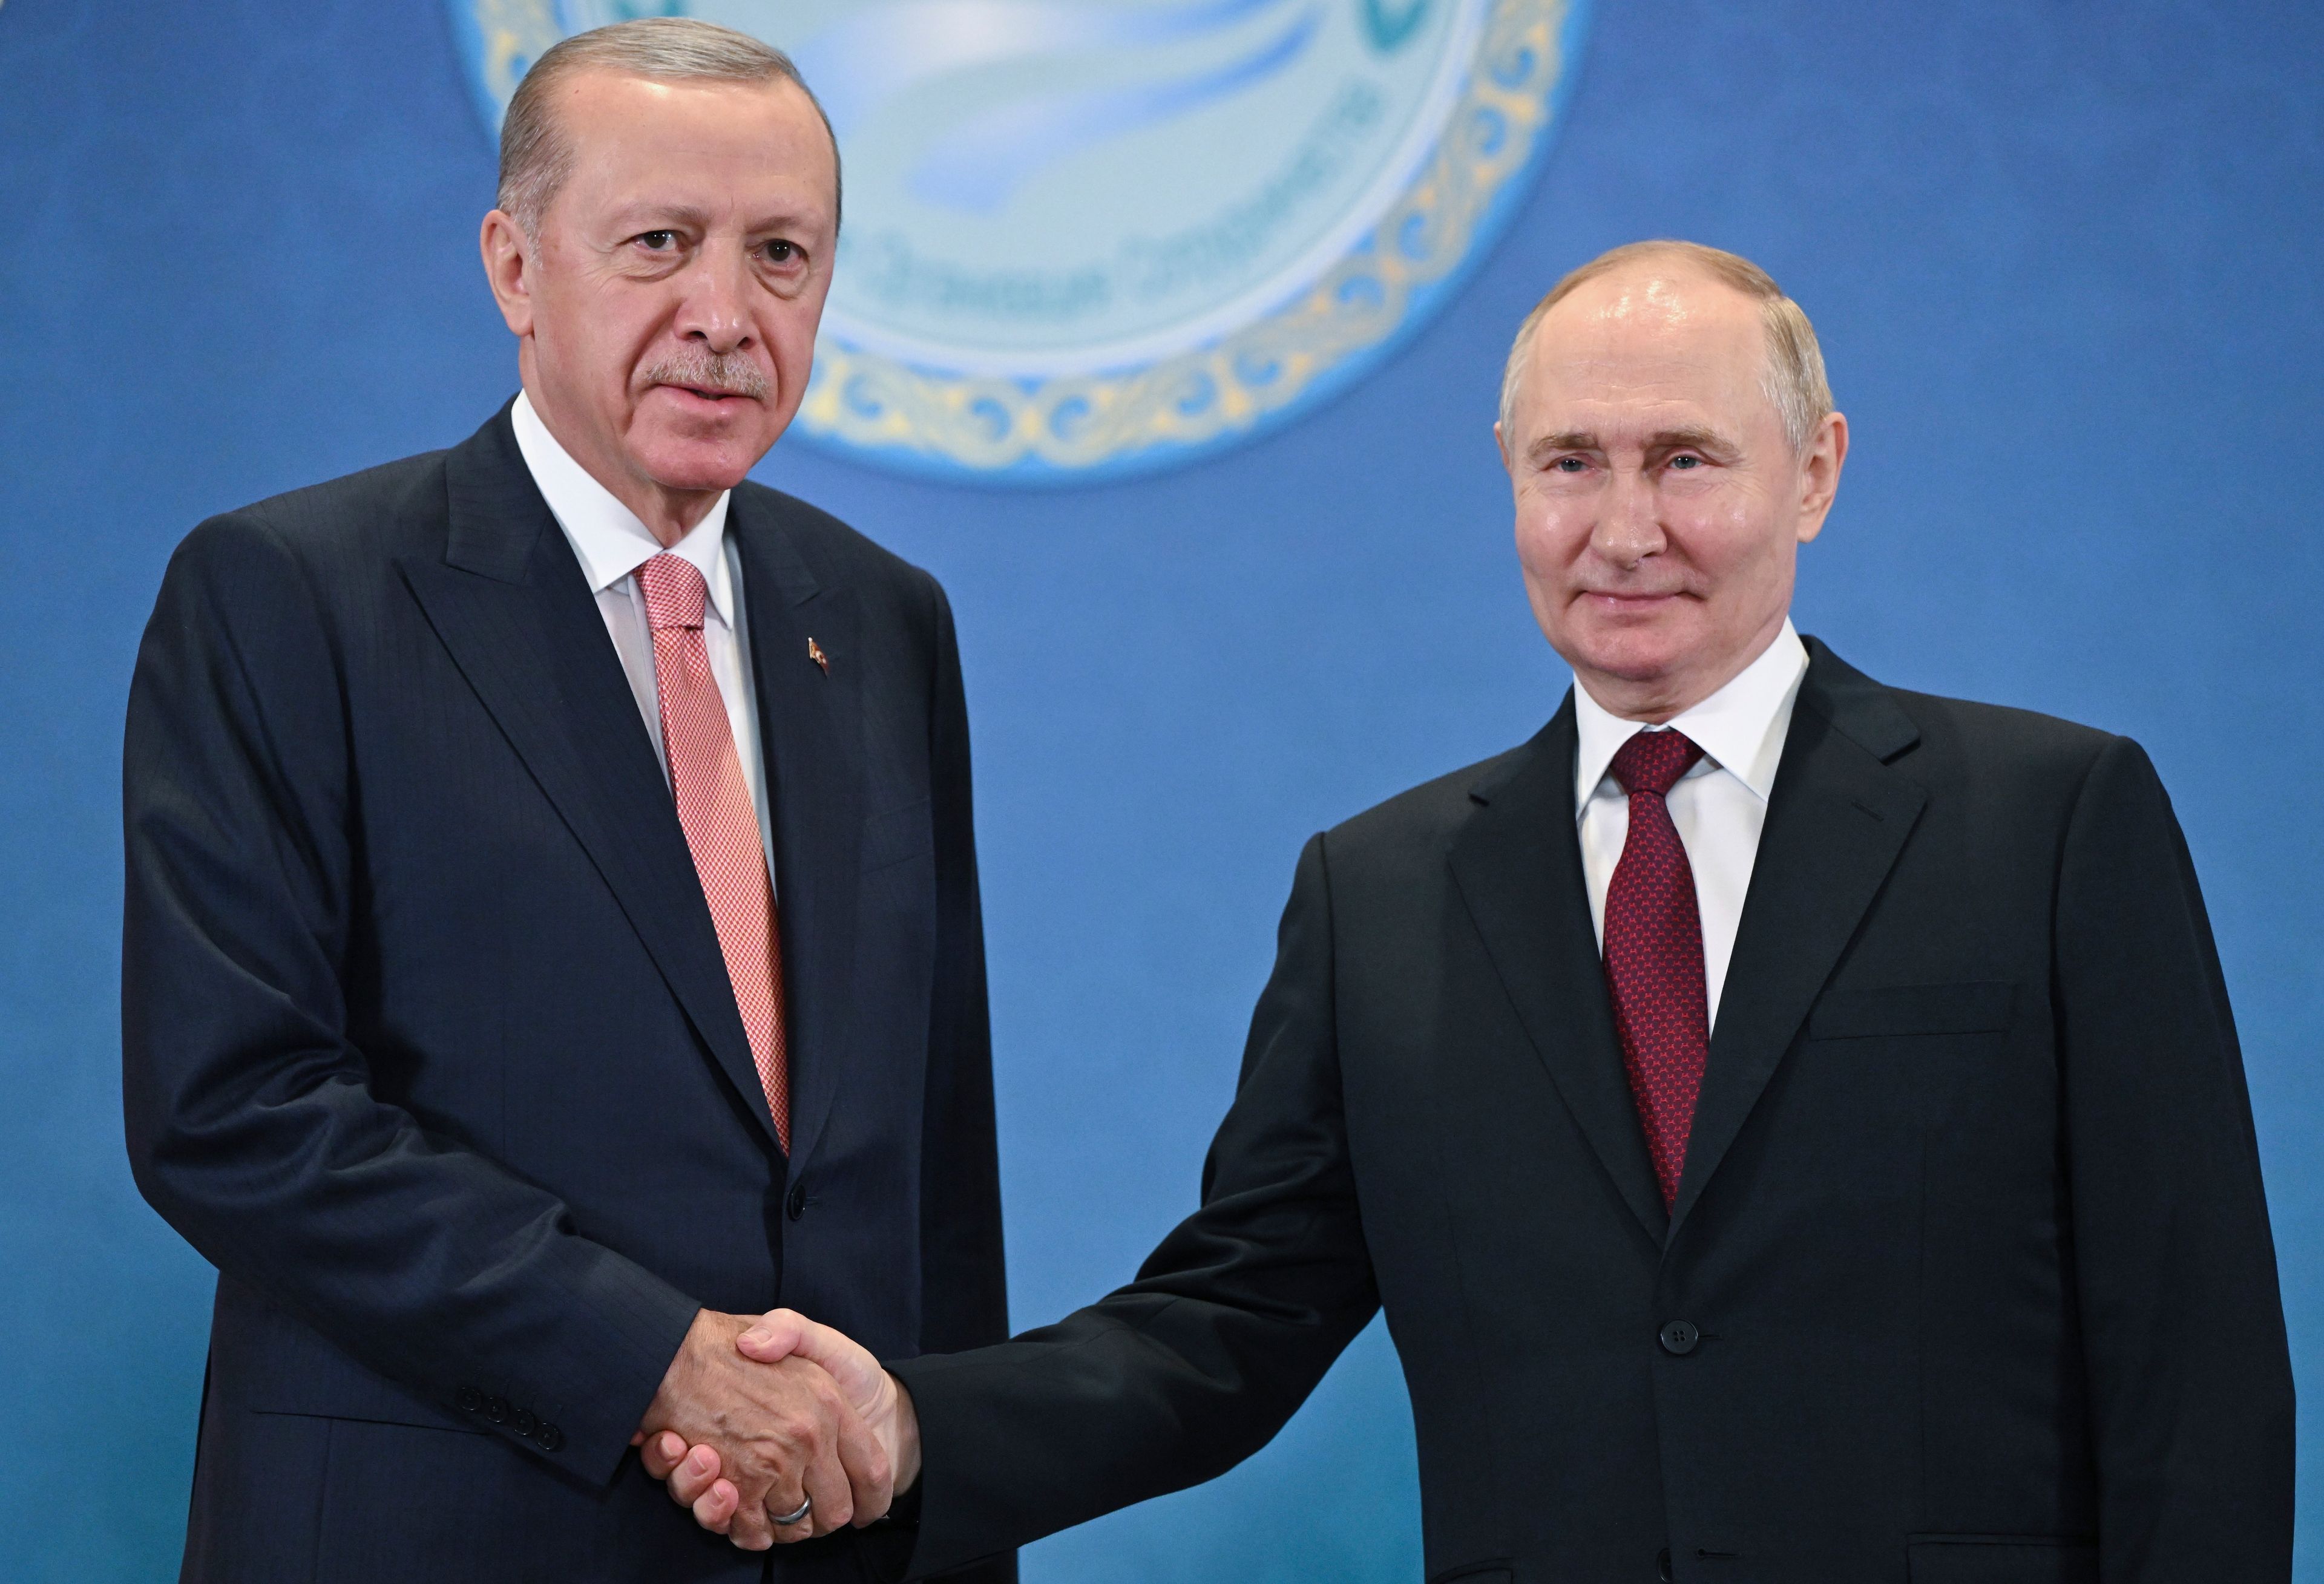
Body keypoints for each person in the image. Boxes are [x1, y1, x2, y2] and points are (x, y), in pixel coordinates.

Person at [654, 241, 2296, 1582]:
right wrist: (907, 1425)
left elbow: (2197, 1366)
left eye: (1686, 460)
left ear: (1816, 472)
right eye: (1572, 461)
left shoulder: (2049, 819)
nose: (1624, 527)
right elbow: (1225, 1325)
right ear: (1509, 477)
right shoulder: (1382, 894)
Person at [120, 19, 1009, 1581]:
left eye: (783, 255)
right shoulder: (289, 595)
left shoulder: (880, 617)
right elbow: (233, 1107)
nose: (725, 315)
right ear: (515, 268)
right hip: (440, 1532)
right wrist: (657, 1355)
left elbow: (934, 1168)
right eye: (659, 243)